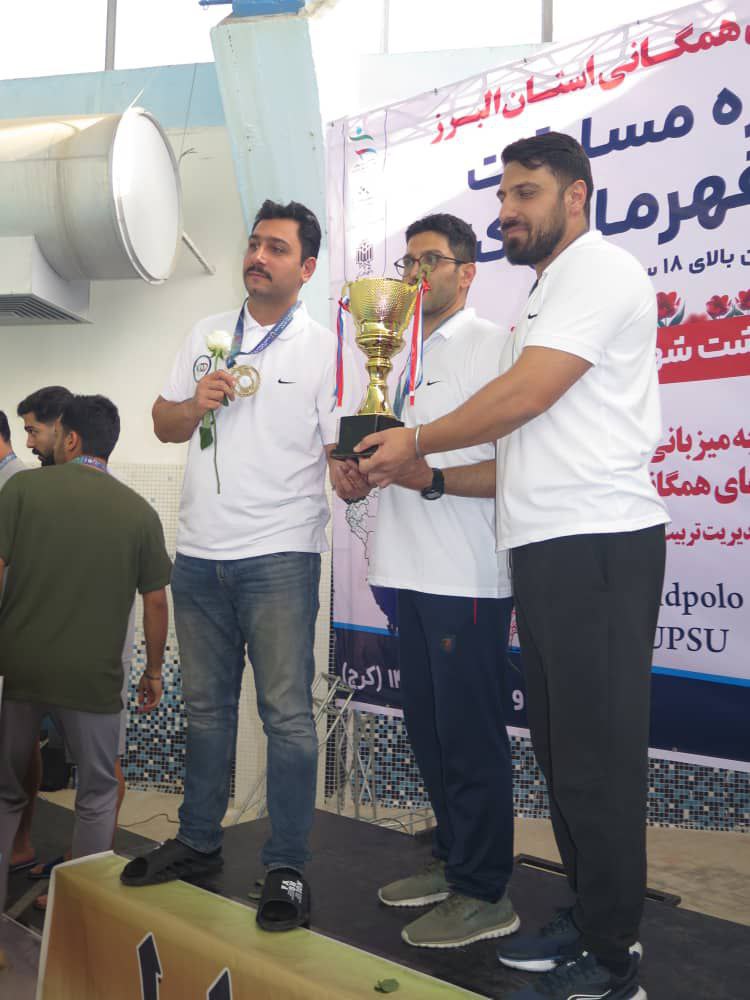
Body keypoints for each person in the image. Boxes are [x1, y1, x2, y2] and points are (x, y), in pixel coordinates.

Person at [358, 132, 668, 1000]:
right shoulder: (547, 291)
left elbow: (525, 397)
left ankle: (615, 957)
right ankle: (590, 914)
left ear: (575, 196)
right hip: (546, 543)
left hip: (600, 540)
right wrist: (416, 460)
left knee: (598, 760)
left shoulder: (600, 270)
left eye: (525, 193)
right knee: (565, 758)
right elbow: (523, 431)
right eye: (503, 196)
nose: (507, 212)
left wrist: (416, 441)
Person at [121, 199, 356, 931]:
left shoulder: (325, 349)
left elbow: (338, 453)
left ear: (306, 268)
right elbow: (163, 423)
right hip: (198, 556)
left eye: (277, 248)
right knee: (204, 709)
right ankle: (197, 840)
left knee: (286, 716)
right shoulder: (206, 334)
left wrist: (362, 471)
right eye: (254, 244)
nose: (258, 256)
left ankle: (286, 866)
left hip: (280, 554)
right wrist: (196, 402)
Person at [335, 213, 518, 949]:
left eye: (430, 261)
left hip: (465, 576)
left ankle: (485, 892)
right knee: (429, 731)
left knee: (469, 737)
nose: (414, 275)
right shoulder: (392, 353)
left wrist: (430, 476)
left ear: (467, 273)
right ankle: (452, 860)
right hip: (404, 570)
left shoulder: (495, 347)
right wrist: (354, 474)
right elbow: (384, 457)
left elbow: (515, 469)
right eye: (406, 263)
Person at [0, 394, 172, 913]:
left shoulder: (21, 490)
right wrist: (154, 671)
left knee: (6, 793)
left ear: (70, 438)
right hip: (91, 680)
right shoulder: (139, 512)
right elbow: (156, 602)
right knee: (96, 794)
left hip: (22, 669)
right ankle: (78, 913)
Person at [11, 387, 133, 907]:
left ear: (68, 434)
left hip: (92, 660)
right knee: (51, 763)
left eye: (37, 431)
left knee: (101, 775)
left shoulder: (35, 491)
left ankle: (82, 885)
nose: (33, 443)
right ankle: (70, 873)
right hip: (50, 657)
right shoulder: (40, 489)